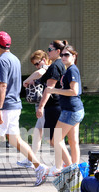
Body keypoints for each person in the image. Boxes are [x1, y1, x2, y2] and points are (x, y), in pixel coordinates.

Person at [0, 31, 50, 187]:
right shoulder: (14, 59)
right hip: (13, 105)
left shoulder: (1, 61)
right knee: (15, 139)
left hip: (4, 107)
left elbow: (2, 85)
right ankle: (40, 167)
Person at [44, 44, 84, 175]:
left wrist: (54, 90)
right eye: (62, 55)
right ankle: (75, 169)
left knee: (56, 139)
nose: (63, 57)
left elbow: (74, 91)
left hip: (70, 111)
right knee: (73, 141)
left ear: (74, 56)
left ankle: (70, 169)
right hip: (75, 110)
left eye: (66, 55)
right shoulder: (70, 69)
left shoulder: (72, 70)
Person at [35, 40, 67, 175]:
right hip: (56, 105)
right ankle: (61, 165)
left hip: (53, 106)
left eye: (50, 49)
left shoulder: (55, 66)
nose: (48, 52)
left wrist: (41, 106)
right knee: (55, 138)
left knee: (53, 138)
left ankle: (65, 164)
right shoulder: (58, 65)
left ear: (57, 51)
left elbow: (49, 88)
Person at [17, 50, 51, 168]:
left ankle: (63, 162)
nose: (36, 66)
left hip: (47, 105)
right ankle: (31, 159)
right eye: (35, 64)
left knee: (52, 137)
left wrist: (26, 81)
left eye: (37, 63)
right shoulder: (46, 69)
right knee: (38, 132)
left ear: (44, 59)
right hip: (44, 104)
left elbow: (40, 72)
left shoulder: (46, 68)